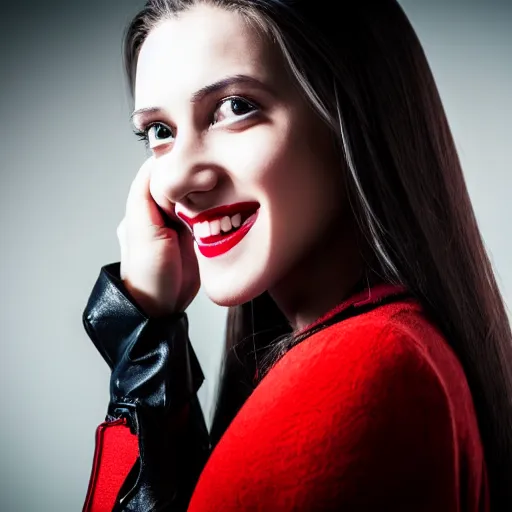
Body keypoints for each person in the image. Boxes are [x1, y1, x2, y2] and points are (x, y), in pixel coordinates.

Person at [81, 0, 512, 510]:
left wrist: (139, 351)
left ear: (349, 116)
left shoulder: (356, 376)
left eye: (235, 107)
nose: (174, 179)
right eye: (160, 132)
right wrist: (149, 333)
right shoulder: (387, 350)